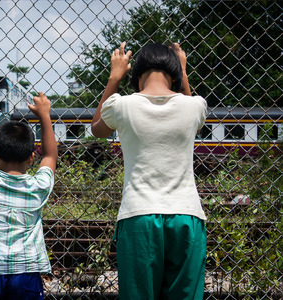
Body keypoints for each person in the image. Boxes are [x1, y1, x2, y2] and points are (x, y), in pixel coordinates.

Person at [91, 42, 207, 299]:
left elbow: (97, 128)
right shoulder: (195, 105)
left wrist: (113, 78)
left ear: (136, 75)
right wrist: (184, 71)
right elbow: (194, 119)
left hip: (139, 215)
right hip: (186, 215)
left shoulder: (121, 106)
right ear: (175, 74)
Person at [0, 91, 58, 300]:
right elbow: (51, 155)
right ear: (32, 157)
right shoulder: (38, 187)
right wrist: (44, 115)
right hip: (26, 271)